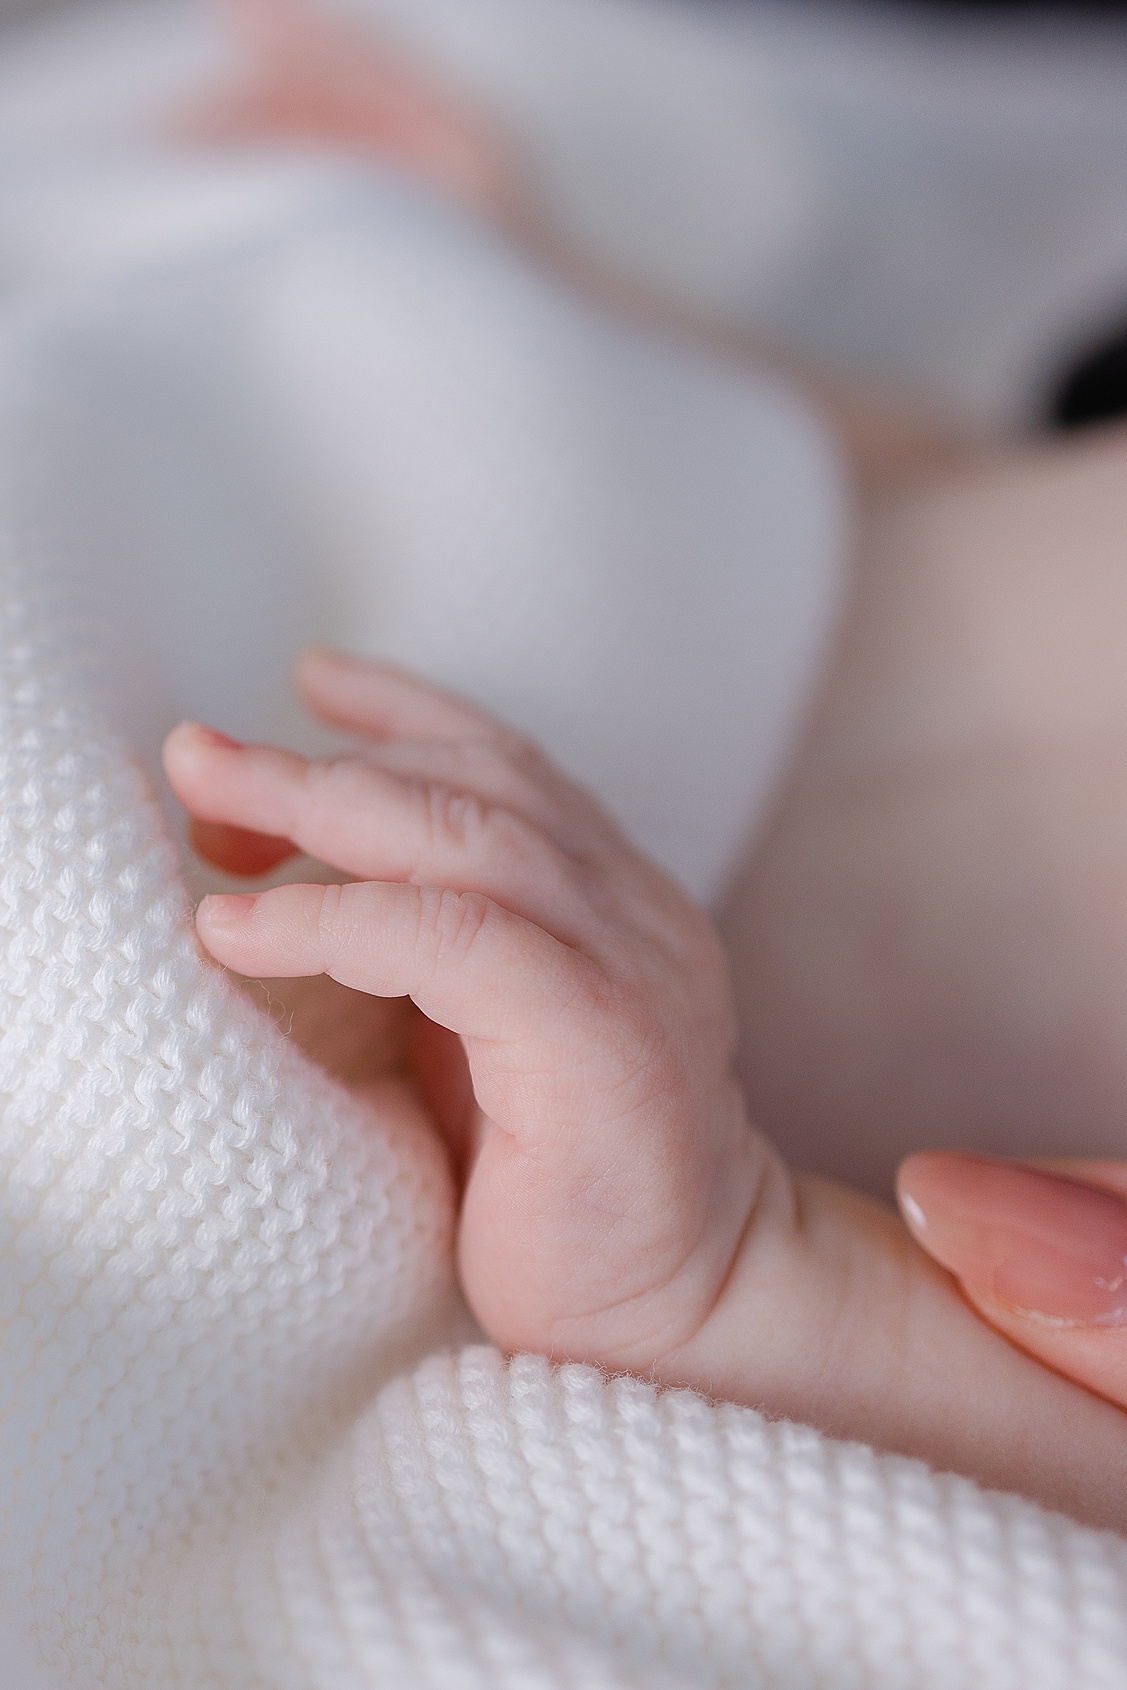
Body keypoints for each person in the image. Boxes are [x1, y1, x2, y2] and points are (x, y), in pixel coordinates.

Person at [170, 0, 1127, 1522]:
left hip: (590, 1102)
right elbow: (959, 482)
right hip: (571, 557)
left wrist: (734, 1274)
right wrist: (536, 268)